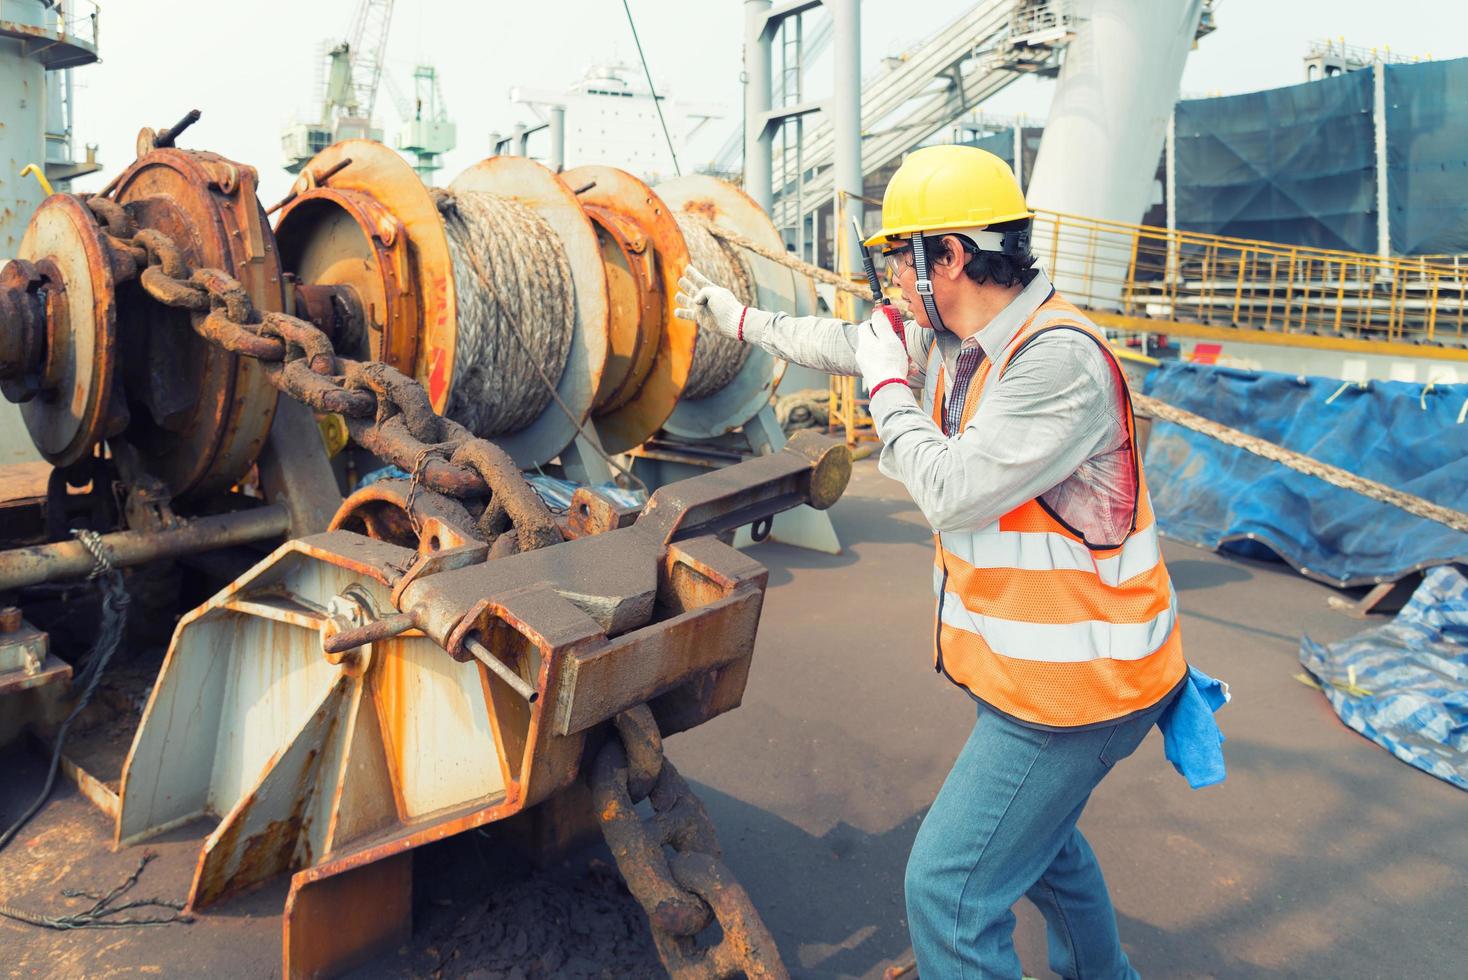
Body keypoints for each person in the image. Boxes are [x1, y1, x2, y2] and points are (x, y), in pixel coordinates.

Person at [674, 144, 1227, 979]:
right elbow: (846, 341)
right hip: (1044, 675)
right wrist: (737, 319)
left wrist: (890, 391)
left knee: (950, 892)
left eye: (900, 255)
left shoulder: (1056, 359)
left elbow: (950, 491)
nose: (892, 275)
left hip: (1074, 694)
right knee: (1045, 849)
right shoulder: (958, 335)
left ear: (952, 256)